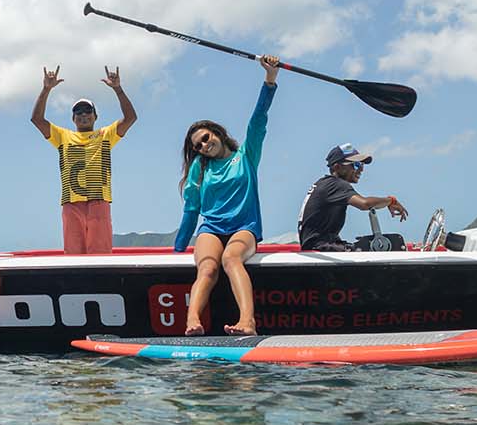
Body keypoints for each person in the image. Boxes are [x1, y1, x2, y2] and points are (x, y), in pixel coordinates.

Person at [174, 55, 280, 335]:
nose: (204, 145)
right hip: (211, 228)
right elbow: (190, 212)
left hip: (244, 228)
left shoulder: (246, 155)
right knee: (207, 267)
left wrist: (270, 80)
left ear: (218, 133)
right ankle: (192, 321)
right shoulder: (199, 169)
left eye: (206, 138)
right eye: (198, 145)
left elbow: (259, 120)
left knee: (231, 259)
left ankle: (248, 322)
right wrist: (175, 251)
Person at [30, 65, 137, 253]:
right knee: (73, 256)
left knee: (100, 255)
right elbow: (37, 120)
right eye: (78, 112)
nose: (83, 114)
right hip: (71, 204)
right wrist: (46, 89)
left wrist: (118, 89)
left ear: (95, 116)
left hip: (99, 201)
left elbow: (130, 118)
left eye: (88, 111)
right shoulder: (62, 136)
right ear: (73, 119)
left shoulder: (105, 135)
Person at [298, 144, 408, 252]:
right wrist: (391, 200)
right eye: (355, 165)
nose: (361, 169)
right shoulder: (335, 184)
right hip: (319, 247)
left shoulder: (326, 184)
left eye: (361, 165)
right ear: (337, 167)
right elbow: (365, 204)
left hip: (320, 245)